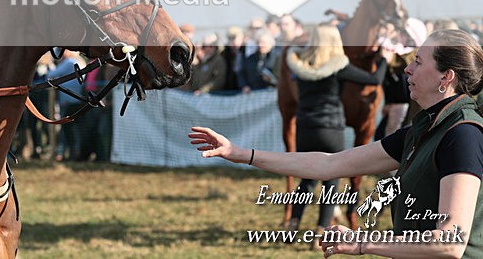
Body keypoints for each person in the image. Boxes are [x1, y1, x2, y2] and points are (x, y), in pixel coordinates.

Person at [190, 29, 483, 258]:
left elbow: (450, 242)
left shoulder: (462, 135)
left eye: (418, 62)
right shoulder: (423, 130)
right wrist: (241, 153)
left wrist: (361, 242)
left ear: (446, 77)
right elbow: (330, 163)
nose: (407, 69)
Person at [283, 24, 387, 238]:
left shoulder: (299, 65)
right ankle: (321, 229)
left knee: (307, 178)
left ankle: (293, 222)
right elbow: (374, 80)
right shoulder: (339, 66)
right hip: (331, 129)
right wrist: (382, 59)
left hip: (305, 128)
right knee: (331, 179)